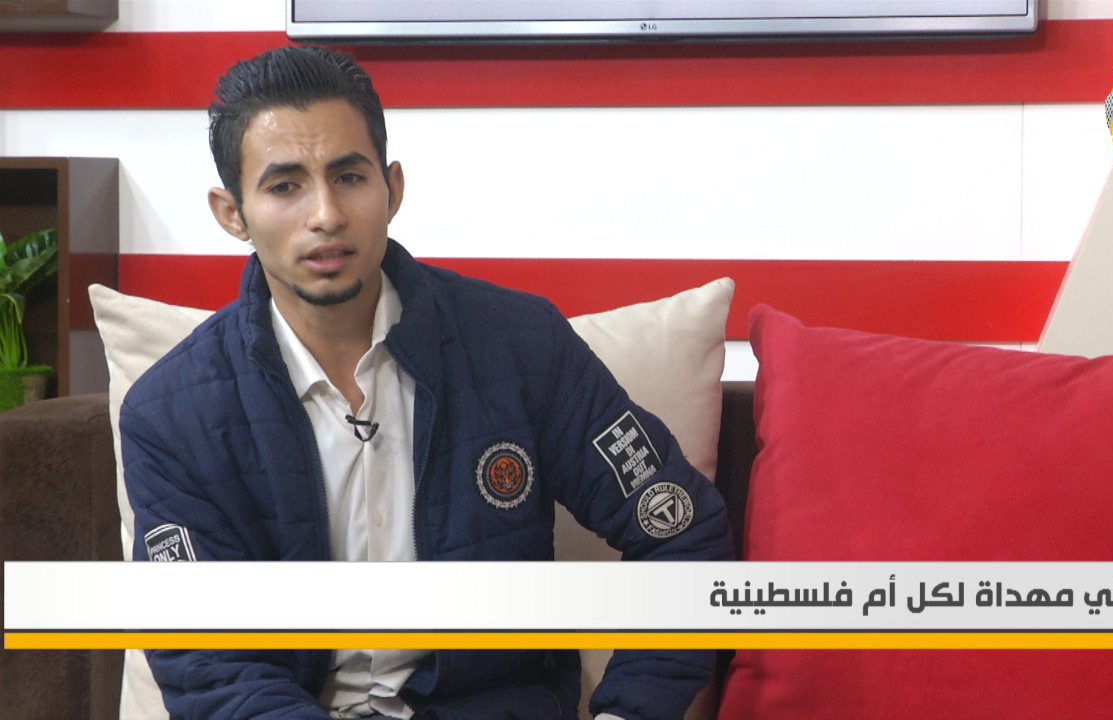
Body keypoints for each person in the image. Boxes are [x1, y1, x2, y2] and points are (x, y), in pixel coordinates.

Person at [120, 45, 734, 720]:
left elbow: (680, 531)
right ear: (231, 212)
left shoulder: (523, 346)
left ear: (392, 188)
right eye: (285, 186)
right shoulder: (170, 417)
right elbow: (207, 660)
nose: (326, 214)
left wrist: (628, 712)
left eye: (349, 177)